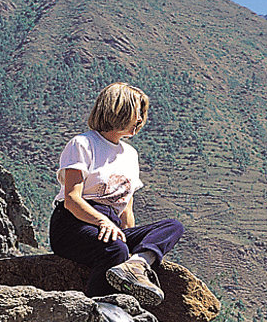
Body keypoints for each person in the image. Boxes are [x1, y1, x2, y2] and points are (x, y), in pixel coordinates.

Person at [49, 82, 184, 307]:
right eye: (137, 113)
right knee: (115, 248)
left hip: (111, 226)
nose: (140, 120)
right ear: (118, 110)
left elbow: (126, 209)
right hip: (74, 224)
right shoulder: (83, 144)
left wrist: (128, 238)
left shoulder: (130, 155)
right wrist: (103, 223)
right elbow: (72, 199)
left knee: (173, 226)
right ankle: (97, 314)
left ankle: (137, 265)